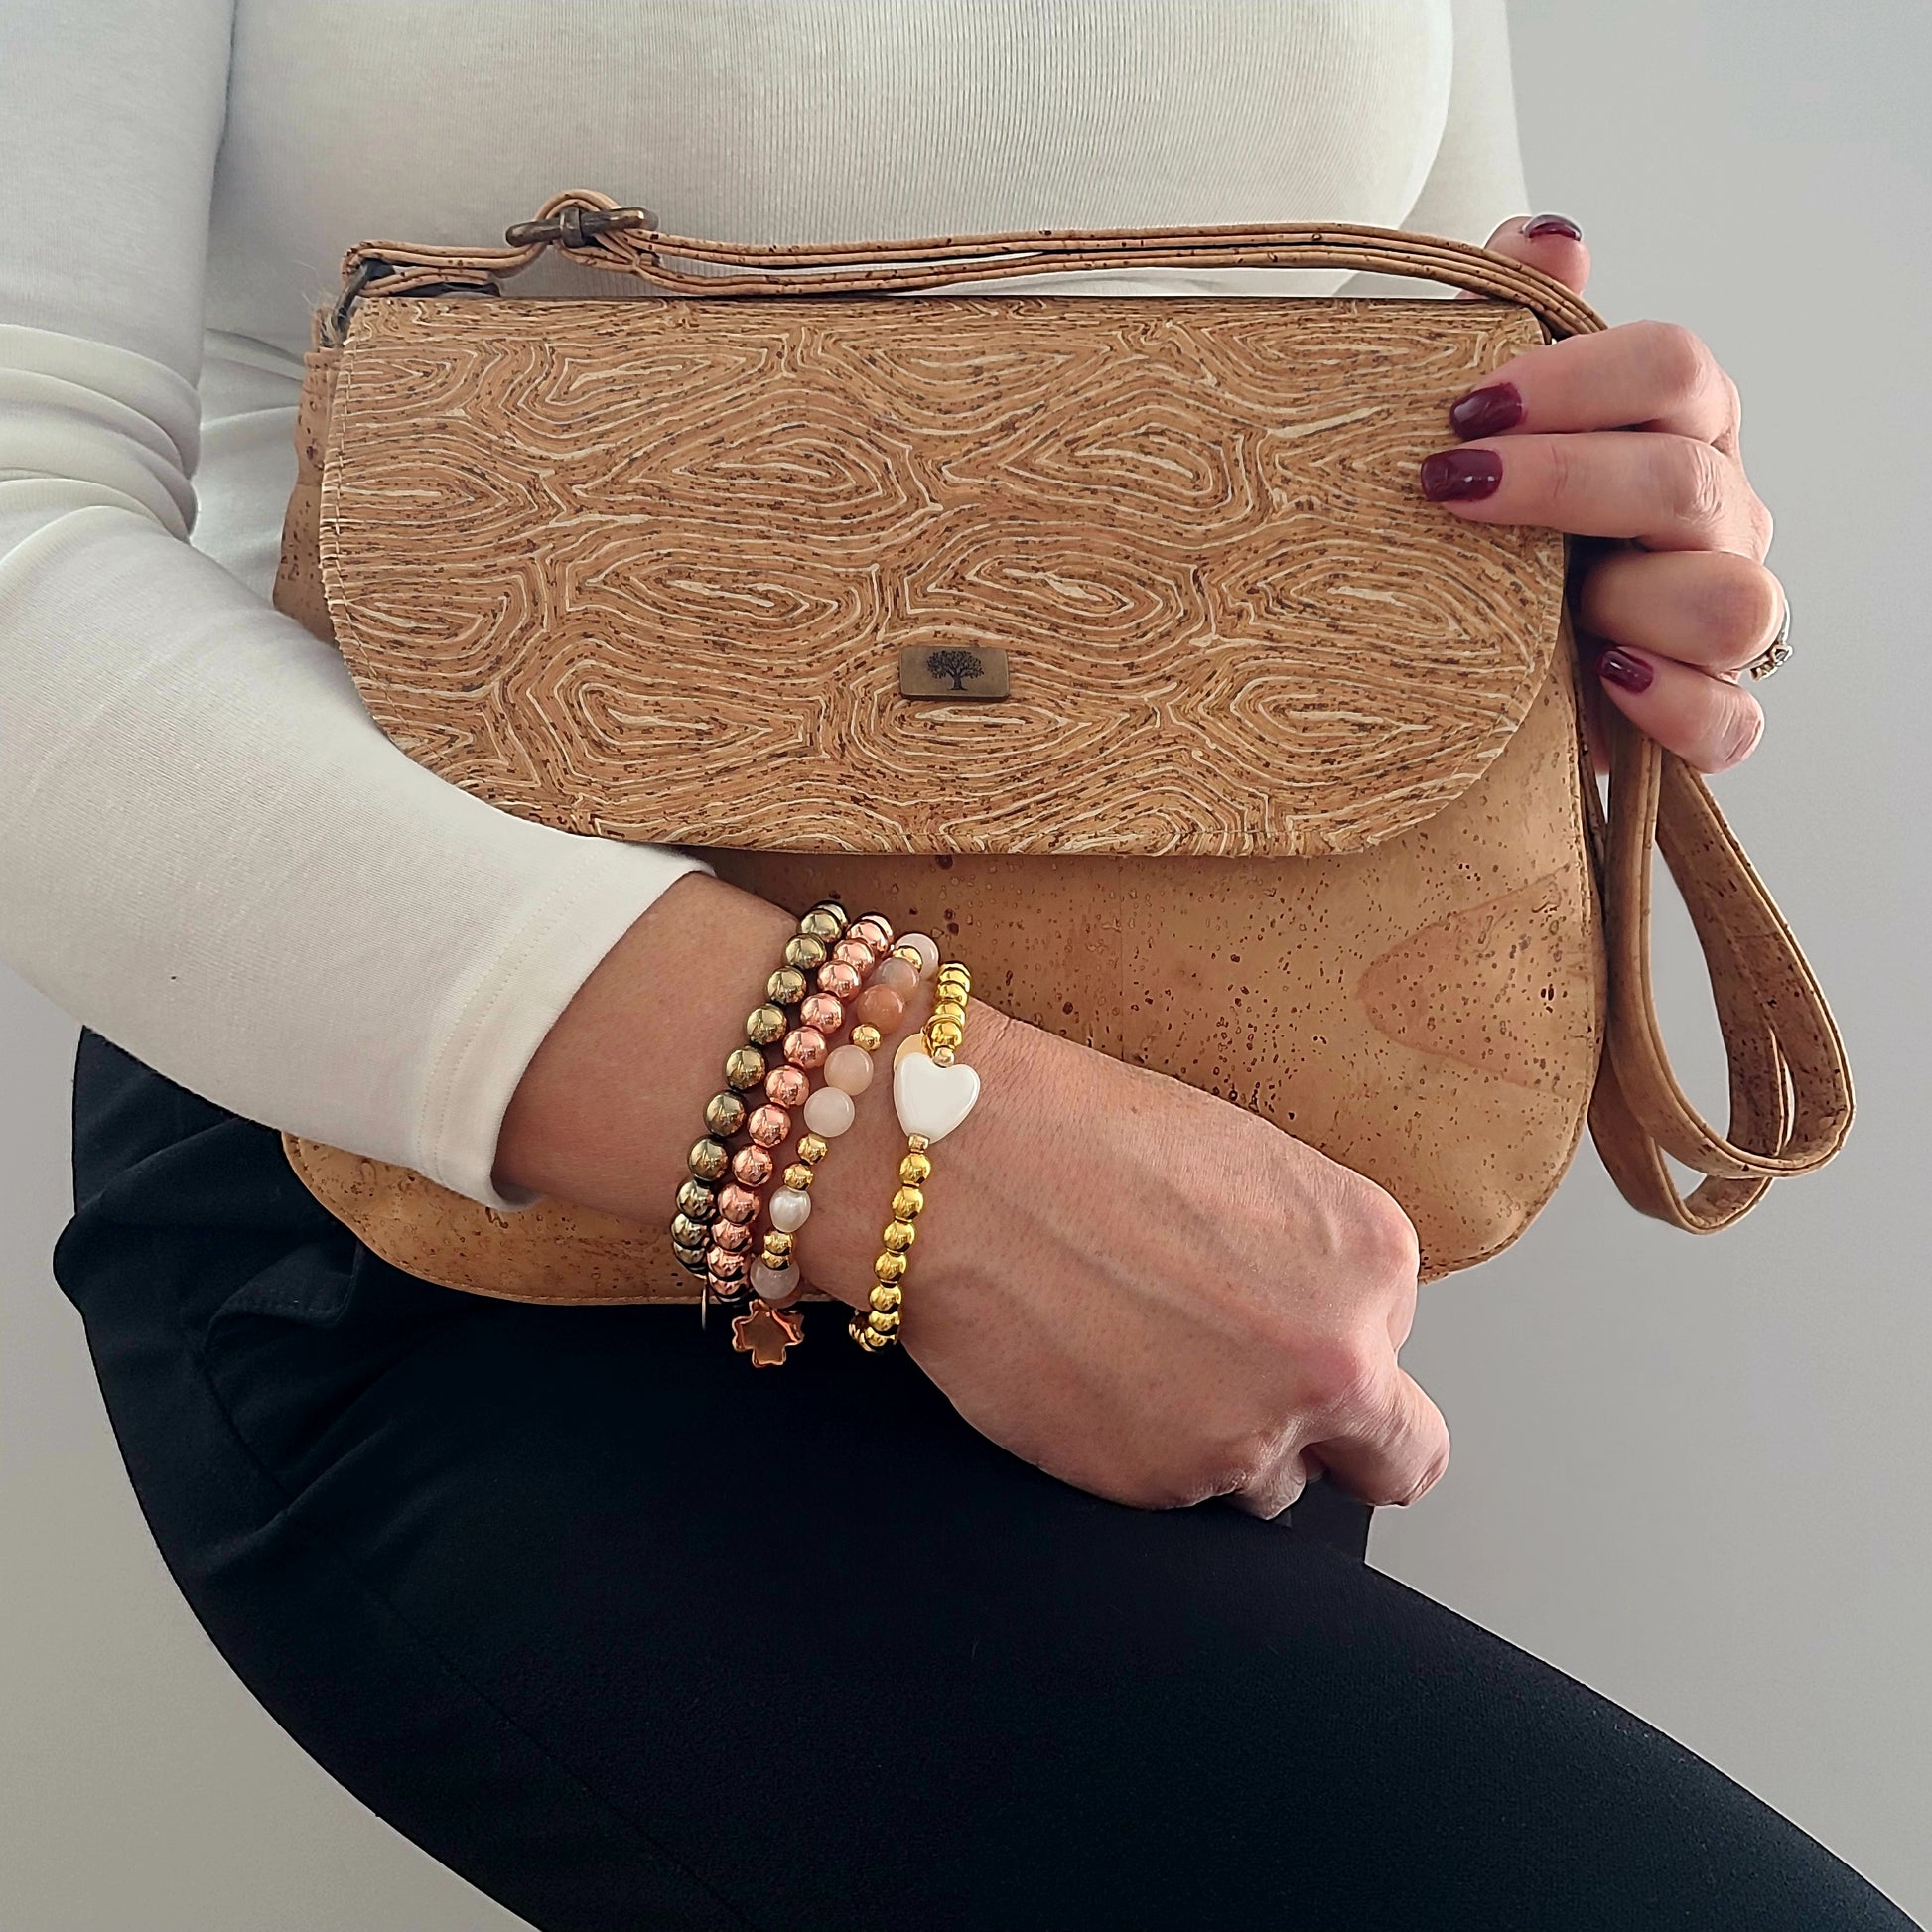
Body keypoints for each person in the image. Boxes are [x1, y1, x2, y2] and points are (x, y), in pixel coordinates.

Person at [6, 3, 1915, 1927]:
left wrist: (1581, 552)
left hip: (1204, 1190)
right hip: (452, 1151)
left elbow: (1418, 352)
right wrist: (934, 1151)